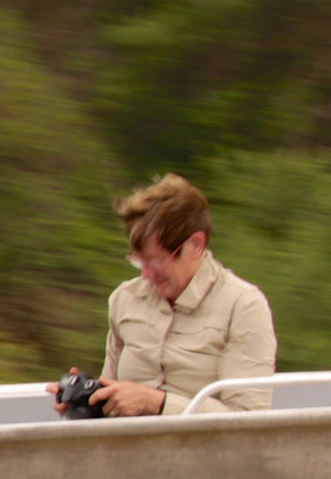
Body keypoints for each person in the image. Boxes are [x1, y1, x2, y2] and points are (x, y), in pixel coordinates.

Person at [59, 174, 276, 416]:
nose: (146, 274)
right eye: (139, 261)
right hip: (129, 451)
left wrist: (158, 403)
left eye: (156, 261)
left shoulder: (244, 306)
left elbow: (249, 420)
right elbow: (111, 397)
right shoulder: (124, 299)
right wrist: (84, 399)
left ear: (196, 245)